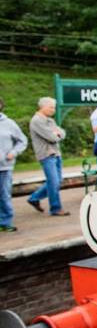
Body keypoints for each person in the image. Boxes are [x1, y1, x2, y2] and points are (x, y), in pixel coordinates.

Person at [27, 97, 69, 216]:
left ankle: (34, 198)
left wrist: (57, 133)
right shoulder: (37, 121)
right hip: (46, 154)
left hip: (56, 153)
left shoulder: (50, 121)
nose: (53, 110)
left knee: (57, 181)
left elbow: (62, 133)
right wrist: (56, 133)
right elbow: (52, 137)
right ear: (43, 107)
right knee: (54, 181)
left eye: (54, 107)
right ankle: (55, 208)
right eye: (51, 107)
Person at [0, 97, 29, 232]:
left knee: (4, 194)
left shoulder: (9, 123)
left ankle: (5, 222)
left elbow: (22, 140)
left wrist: (14, 152)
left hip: (4, 166)